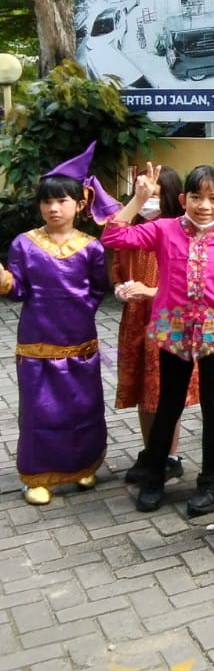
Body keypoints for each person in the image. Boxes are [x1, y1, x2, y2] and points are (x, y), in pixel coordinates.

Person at [103, 162, 214, 516]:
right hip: (173, 331)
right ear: (182, 200)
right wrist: (138, 200)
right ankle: (154, 477)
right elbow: (113, 237)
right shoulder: (164, 230)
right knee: (168, 405)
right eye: (196, 197)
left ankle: (209, 481)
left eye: (213, 198)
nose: (204, 205)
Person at [0, 145, 113, 505]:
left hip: (80, 341)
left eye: (62, 200)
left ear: (79, 204)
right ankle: (38, 476)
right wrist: (4, 281)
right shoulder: (24, 244)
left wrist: (80, 311)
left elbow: (98, 289)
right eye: (47, 202)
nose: (53, 208)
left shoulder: (92, 247)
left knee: (84, 407)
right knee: (40, 411)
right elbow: (19, 290)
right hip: (37, 341)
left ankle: (82, 467)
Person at [116, 166, 195, 485]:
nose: (149, 200)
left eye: (155, 195)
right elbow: (116, 260)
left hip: (167, 319)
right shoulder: (133, 231)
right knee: (142, 389)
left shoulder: (179, 232)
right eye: (144, 194)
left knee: (165, 390)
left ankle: (169, 456)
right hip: (136, 319)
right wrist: (120, 287)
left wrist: (150, 291)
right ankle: (151, 451)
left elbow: (189, 281)